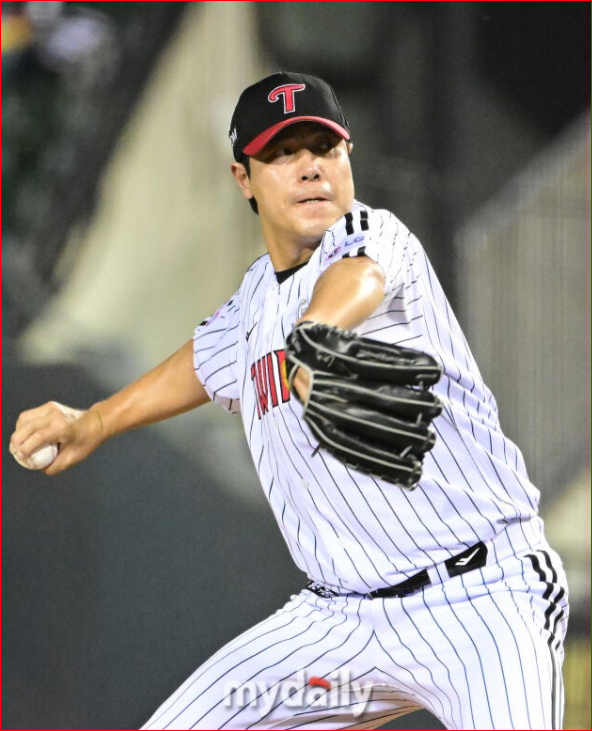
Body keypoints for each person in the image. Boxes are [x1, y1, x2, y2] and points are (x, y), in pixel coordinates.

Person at [10, 72, 568, 730]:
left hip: (486, 602)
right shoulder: (254, 303)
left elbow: (359, 276)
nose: (310, 168)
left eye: (323, 148)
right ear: (243, 178)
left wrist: (316, 333)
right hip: (341, 627)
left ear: (348, 157)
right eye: (282, 153)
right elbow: (203, 361)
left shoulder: (375, 234)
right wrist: (96, 419)